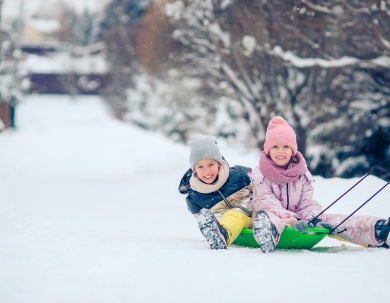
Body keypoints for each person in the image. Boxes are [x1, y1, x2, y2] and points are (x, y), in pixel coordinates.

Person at [250, 116, 390, 253]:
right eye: (275, 146)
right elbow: (267, 203)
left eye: (286, 146)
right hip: (271, 216)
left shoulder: (301, 174)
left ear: (293, 150)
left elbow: (306, 202)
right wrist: (293, 219)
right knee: (269, 216)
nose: (280, 151)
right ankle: (268, 235)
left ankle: (379, 231)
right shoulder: (261, 175)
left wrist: (313, 218)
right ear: (268, 150)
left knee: (330, 220)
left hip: (299, 221)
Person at [178, 134, 253, 249]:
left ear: (219, 163)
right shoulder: (194, 199)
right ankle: (222, 235)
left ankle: (278, 225)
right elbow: (206, 223)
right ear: (194, 169)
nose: (207, 171)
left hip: (257, 216)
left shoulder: (240, 175)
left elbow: (265, 188)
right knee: (232, 215)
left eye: (211, 164)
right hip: (233, 227)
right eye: (200, 167)